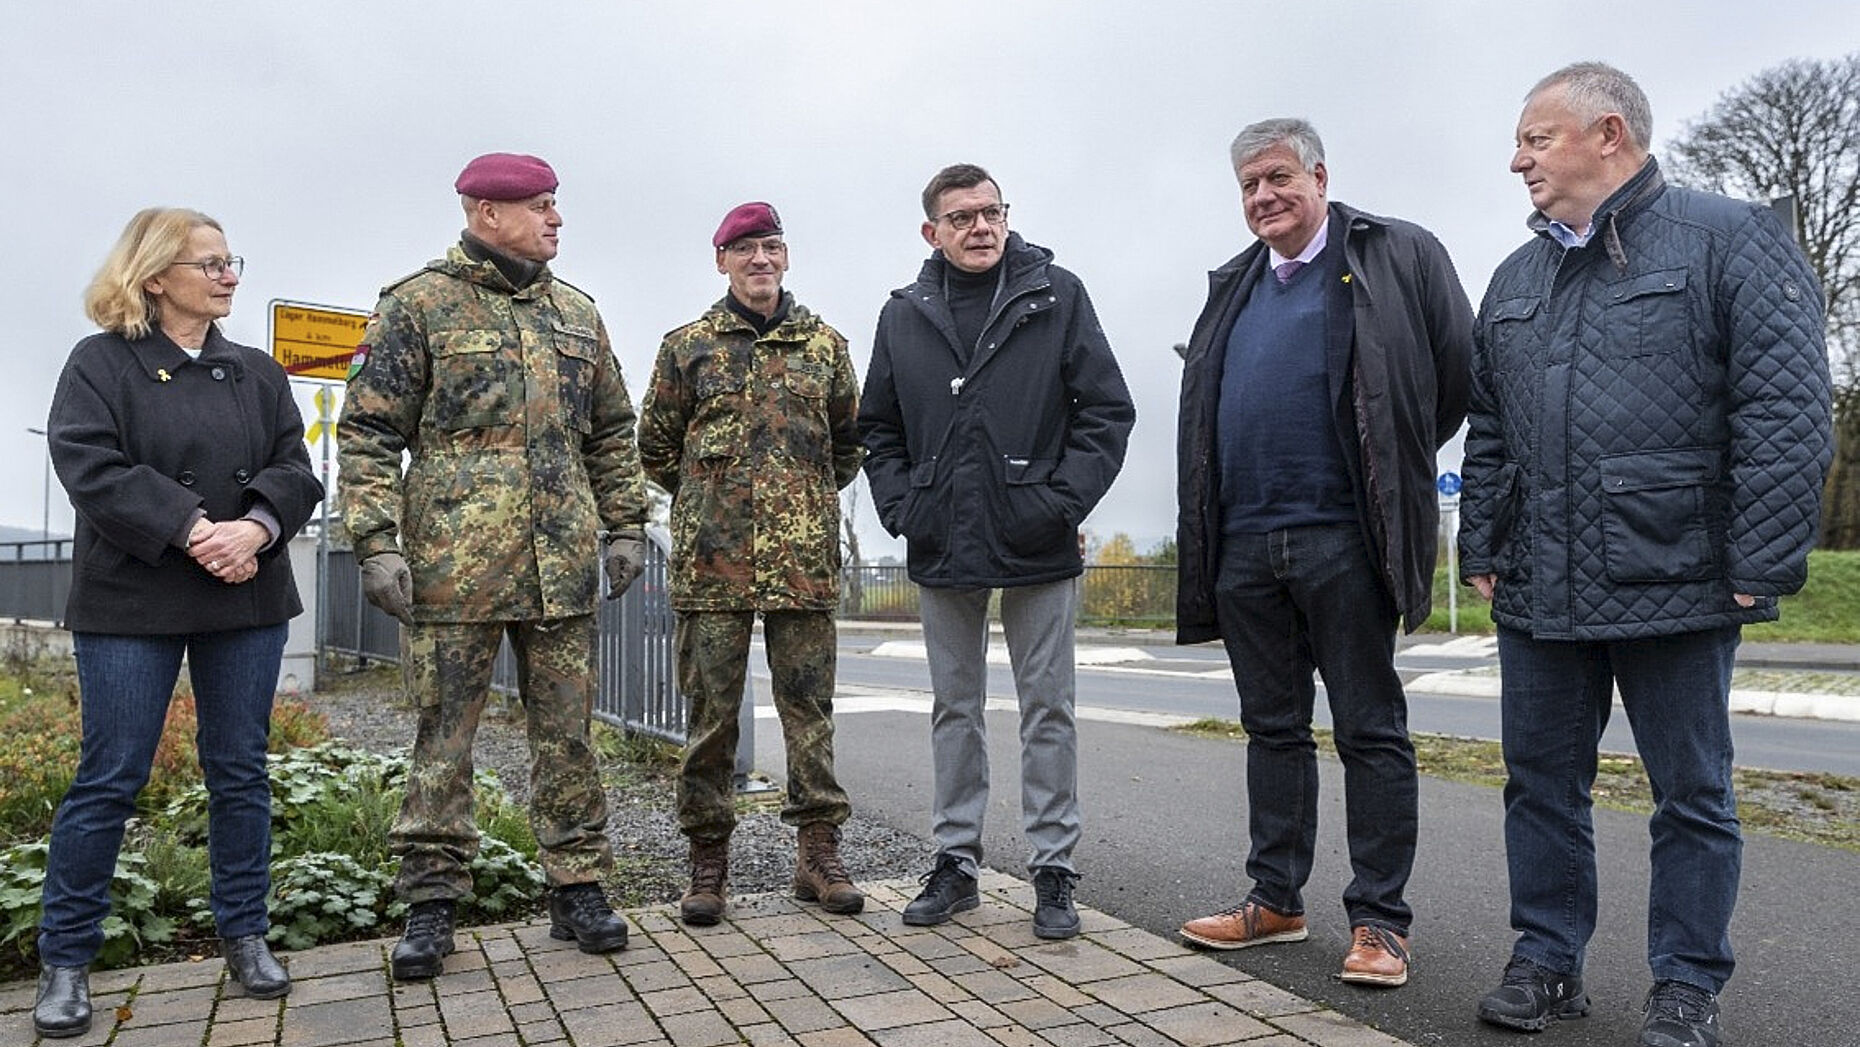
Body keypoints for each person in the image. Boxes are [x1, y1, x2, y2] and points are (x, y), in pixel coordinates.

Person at [1461, 63, 1831, 1047]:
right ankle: (1545, 957)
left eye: (1534, 139)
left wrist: (1761, 555)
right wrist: (1481, 547)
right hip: (1539, 584)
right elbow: (1488, 428)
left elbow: (1787, 409)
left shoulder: (1731, 239)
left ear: (1607, 133)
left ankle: (1687, 983)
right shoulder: (1514, 278)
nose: (1517, 160)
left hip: (1678, 575)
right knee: (1538, 783)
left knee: (1693, 793)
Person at [1172, 119, 1472, 988]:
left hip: (1345, 536)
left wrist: (1399, 464)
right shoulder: (1234, 285)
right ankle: (1275, 898)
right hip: (1244, 545)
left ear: (1319, 175)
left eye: (1277, 178)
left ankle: (1380, 920)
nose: (1262, 197)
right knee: (1271, 726)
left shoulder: (1394, 254)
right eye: (1247, 187)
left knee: (1369, 727)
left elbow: (1451, 378)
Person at [337, 152, 649, 981]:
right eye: (539, 206)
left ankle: (578, 885)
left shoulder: (579, 314)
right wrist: (375, 542)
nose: (555, 219)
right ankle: (432, 900)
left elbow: (613, 431)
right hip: (452, 565)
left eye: (556, 205)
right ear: (485, 214)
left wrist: (626, 527)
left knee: (570, 737)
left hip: (561, 565)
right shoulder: (417, 305)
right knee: (443, 738)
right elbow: (368, 433)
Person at [33, 208, 323, 1038]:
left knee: (239, 770)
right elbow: (88, 462)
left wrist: (257, 528)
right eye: (209, 263)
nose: (229, 273)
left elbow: (294, 467)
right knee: (110, 776)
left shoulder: (259, 371)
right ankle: (66, 956)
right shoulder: (101, 364)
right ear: (156, 276)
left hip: (244, 593)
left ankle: (245, 932)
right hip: (134, 596)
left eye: (232, 260)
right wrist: (197, 529)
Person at [859, 163, 1134, 940]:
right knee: (956, 708)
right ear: (932, 232)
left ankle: (1054, 870)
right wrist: (903, 507)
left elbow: (1107, 410)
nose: (981, 227)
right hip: (944, 535)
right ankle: (957, 864)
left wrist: (1060, 501)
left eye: (992, 212)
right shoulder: (904, 315)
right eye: (963, 217)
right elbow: (876, 427)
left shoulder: (1057, 295)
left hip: (1036, 537)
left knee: (1049, 707)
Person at [638, 202, 866, 926]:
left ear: (786, 257)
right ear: (722, 261)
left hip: (802, 564)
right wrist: (714, 502)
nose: (759, 259)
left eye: (770, 246)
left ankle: (817, 853)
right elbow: (656, 446)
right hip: (714, 564)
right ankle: (708, 863)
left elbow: (848, 445)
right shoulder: (689, 348)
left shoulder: (825, 346)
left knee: (811, 715)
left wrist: (794, 503)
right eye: (745, 249)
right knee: (711, 718)